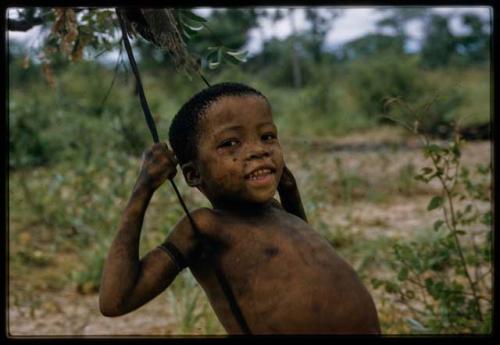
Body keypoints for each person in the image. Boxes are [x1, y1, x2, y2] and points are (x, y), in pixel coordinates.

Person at [99, 82, 381, 334]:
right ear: (194, 174)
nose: (258, 150)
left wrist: (290, 192)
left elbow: (302, 258)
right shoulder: (205, 227)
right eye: (230, 143)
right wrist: (143, 189)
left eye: (267, 136)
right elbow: (115, 300)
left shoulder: (274, 209)